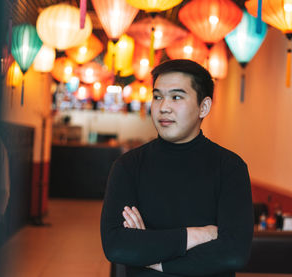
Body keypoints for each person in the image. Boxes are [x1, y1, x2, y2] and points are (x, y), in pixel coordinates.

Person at [100, 59, 253, 277]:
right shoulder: (128, 166)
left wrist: (154, 256)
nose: (163, 107)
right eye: (157, 96)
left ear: (204, 106)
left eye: (177, 97)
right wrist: (197, 235)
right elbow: (116, 245)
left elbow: (233, 253)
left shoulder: (230, 168)